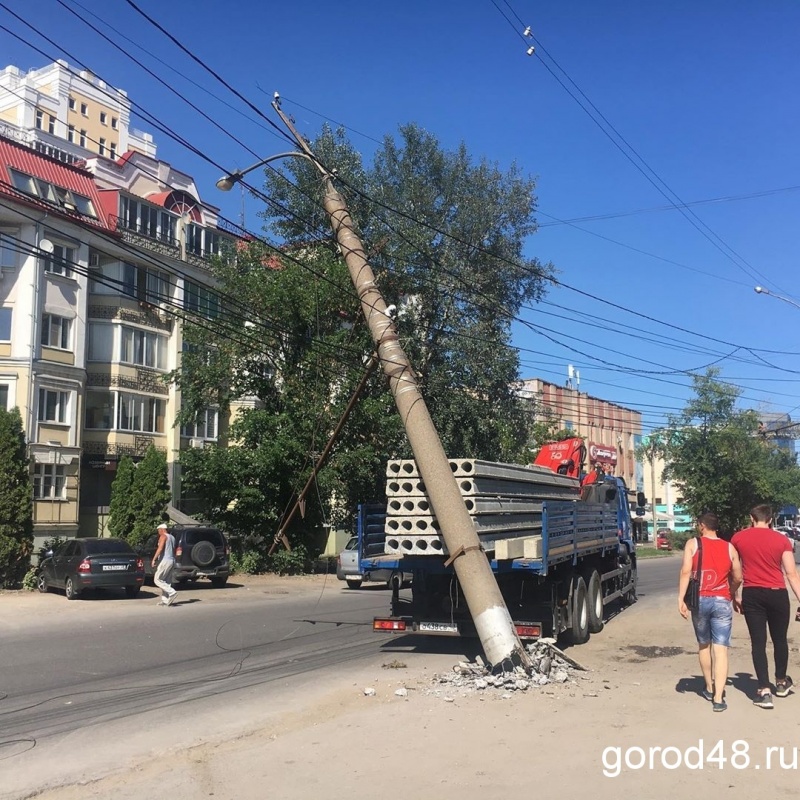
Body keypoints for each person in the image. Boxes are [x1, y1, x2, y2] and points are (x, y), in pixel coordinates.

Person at [732, 504, 800, 708]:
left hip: (752, 594)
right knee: (780, 640)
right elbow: (791, 573)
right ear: (770, 519)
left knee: (758, 643)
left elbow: (734, 569)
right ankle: (780, 682)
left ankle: (764, 690)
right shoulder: (781, 540)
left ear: (751, 518)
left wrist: (735, 595)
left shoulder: (739, 538)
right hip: (777, 594)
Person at [678, 513, 742, 712]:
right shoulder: (729, 547)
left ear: (702, 526)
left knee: (704, 645)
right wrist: (730, 594)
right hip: (722, 600)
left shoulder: (692, 544)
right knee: (721, 649)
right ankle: (718, 698)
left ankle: (708, 686)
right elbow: (738, 576)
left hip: (700, 601)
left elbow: (686, 571)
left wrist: (681, 598)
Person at [152, 522, 178, 607]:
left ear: (162, 529)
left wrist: (154, 559)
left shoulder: (163, 536)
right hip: (172, 560)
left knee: (157, 579)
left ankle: (172, 592)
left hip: (165, 560)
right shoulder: (172, 537)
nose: (158, 532)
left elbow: (160, 549)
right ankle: (165, 600)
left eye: (158, 530)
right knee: (166, 581)